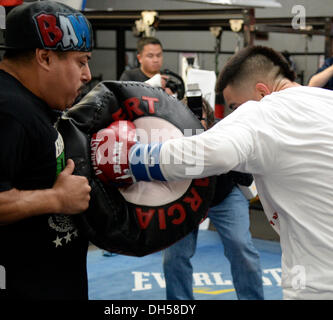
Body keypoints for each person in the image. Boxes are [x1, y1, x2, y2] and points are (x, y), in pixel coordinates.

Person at [92, 45, 333, 299]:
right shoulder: (326, 100)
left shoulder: (264, 111)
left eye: (235, 106)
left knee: (241, 247)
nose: (234, 116)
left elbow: (207, 154)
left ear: (262, 92)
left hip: (317, 285)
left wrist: (130, 160)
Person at [0, 1, 92, 299]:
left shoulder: (26, 102)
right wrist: (56, 198)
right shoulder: (0, 109)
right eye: (81, 61)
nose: (87, 75)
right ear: (45, 57)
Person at [163, 99, 264, 300]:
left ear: (209, 124)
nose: (191, 132)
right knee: (173, 256)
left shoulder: (226, 132)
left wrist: (229, 161)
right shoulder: (168, 132)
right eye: (186, 127)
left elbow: (247, 175)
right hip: (184, 198)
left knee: (240, 245)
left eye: (197, 128)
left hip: (224, 195)